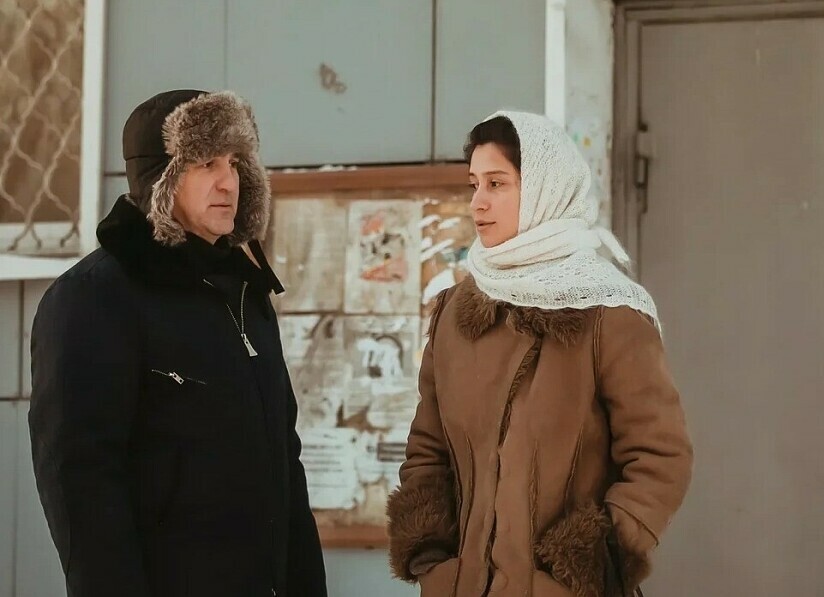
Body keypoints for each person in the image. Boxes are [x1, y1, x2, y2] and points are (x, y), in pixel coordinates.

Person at [29, 89, 327, 597]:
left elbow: (285, 462)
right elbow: (78, 482)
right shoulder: (93, 298)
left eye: (235, 163)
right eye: (206, 163)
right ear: (160, 179)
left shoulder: (246, 293)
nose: (228, 181)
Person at [387, 111, 692, 597]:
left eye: (497, 183)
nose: (478, 202)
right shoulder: (453, 313)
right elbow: (428, 450)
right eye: (474, 184)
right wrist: (433, 563)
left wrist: (585, 567)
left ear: (545, 190)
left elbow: (660, 456)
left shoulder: (607, 311)